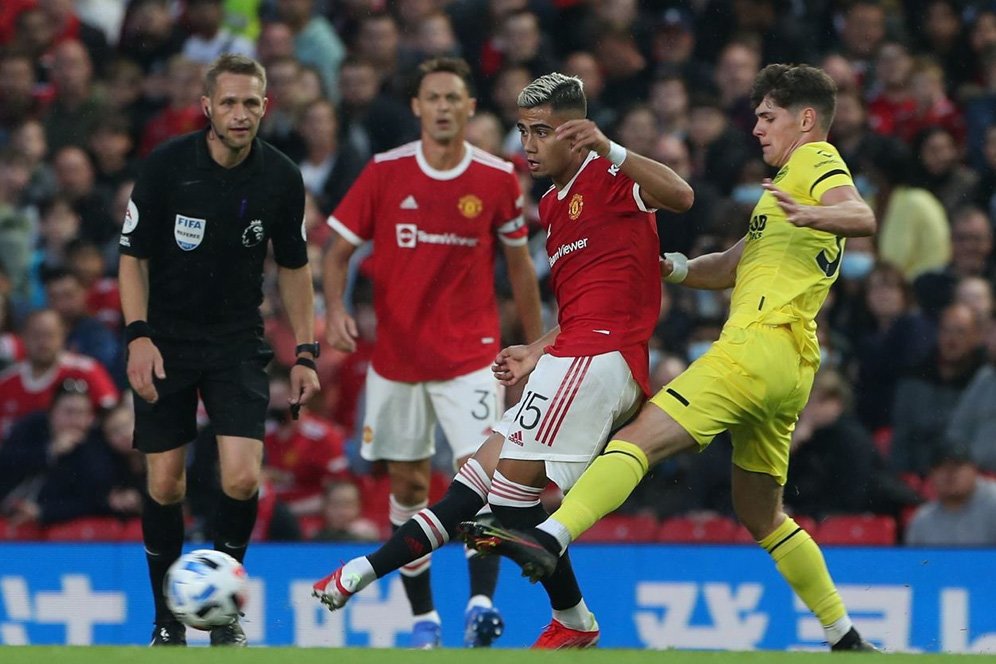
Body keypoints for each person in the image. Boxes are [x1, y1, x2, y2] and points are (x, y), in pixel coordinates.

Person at [460, 63, 880, 653]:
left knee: (638, 441)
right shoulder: (780, 196)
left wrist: (820, 214)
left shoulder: (813, 162)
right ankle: (844, 634)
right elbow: (733, 265)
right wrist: (674, 268)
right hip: (792, 368)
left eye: (768, 116)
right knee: (762, 515)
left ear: (806, 119)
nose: (757, 128)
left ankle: (549, 536)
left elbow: (861, 216)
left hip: (754, 348)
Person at [313, 70, 694, 648]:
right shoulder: (552, 204)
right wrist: (533, 350)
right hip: (568, 353)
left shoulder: (612, 173)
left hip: (602, 357)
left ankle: (570, 618)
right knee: (473, 490)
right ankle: (359, 574)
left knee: (501, 509)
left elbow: (683, 196)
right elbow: (579, 304)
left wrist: (612, 148)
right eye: (523, 132)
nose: (529, 145)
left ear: (576, 133)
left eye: (542, 132)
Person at [317, 57, 544, 649]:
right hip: (395, 362)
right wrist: (336, 309)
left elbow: (520, 268)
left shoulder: (497, 178)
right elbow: (336, 250)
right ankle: (424, 621)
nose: (444, 107)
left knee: (484, 483)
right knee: (409, 488)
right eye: (434, 97)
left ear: (470, 108)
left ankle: (480, 603)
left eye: (454, 98)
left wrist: (537, 343)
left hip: (471, 358)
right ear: (417, 107)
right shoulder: (384, 173)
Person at [118, 53, 320, 648]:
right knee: (165, 485)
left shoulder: (280, 177)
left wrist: (305, 352)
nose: (240, 113)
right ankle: (165, 620)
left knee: (239, 477)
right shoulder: (167, 167)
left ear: (266, 105)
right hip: (166, 340)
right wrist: (137, 335)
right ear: (206, 107)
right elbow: (133, 257)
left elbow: (293, 266)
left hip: (236, 341)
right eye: (228, 102)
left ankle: (223, 611)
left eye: (250, 102)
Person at [905, 443, 996, 546]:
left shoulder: (993, 501)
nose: (949, 474)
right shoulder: (923, 521)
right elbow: (917, 561)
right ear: (931, 475)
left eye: (957, 466)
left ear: (974, 469)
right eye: (942, 468)